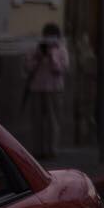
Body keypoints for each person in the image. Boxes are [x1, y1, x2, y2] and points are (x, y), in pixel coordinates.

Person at [24, 23, 68, 161]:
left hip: (54, 89)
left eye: (51, 35)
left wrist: (52, 55)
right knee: (37, 120)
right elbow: (27, 67)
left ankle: (51, 149)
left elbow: (61, 69)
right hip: (37, 88)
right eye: (46, 35)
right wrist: (38, 55)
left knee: (52, 121)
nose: (48, 38)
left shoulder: (61, 50)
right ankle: (38, 150)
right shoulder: (36, 49)